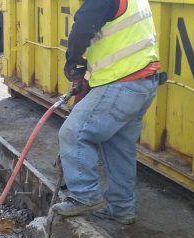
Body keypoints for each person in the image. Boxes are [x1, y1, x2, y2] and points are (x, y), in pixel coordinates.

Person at [51, 0, 161, 225]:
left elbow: (82, 28)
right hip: (143, 83)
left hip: (122, 83)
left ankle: (84, 196)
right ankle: (121, 208)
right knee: (119, 147)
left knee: (74, 133)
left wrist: (72, 61)